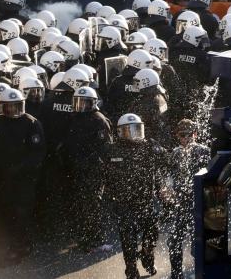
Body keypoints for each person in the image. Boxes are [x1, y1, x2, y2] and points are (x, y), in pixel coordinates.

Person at [105, 114, 167, 279]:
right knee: (128, 238)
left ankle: (147, 256)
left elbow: (159, 168)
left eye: (136, 129)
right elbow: (103, 175)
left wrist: (161, 188)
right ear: (120, 132)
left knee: (152, 234)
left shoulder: (149, 146)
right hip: (123, 202)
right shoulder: (112, 149)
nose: (133, 134)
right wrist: (106, 195)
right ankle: (131, 269)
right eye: (128, 131)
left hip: (146, 200)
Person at [0, 87, 46, 265]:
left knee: (21, 211)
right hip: (4, 175)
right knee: (7, 209)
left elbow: (38, 153)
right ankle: (21, 241)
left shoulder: (31, 123)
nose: (13, 110)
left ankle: (18, 247)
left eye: (16, 106)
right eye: (9, 107)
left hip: (24, 178)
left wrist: (21, 168)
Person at [63, 86, 112, 252]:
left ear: (93, 103)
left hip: (93, 170)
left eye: (86, 103)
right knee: (79, 205)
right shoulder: (74, 118)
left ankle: (97, 240)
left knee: (92, 204)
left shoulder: (99, 120)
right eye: (78, 103)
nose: (81, 107)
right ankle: (84, 239)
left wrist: (95, 165)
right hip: (76, 169)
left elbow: (105, 148)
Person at [165, 118, 210, 278]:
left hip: (198, 205)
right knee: (174, 242)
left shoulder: (203, 151)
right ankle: (176, 275)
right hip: (181, 204)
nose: (185, 138)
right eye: (182, 135)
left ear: (195, 134)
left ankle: (201, 274)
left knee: (198, 245)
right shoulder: (176, 153)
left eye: (188, 135)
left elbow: (209, 178)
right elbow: (169, 174)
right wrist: (167, 187)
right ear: (177, 136)